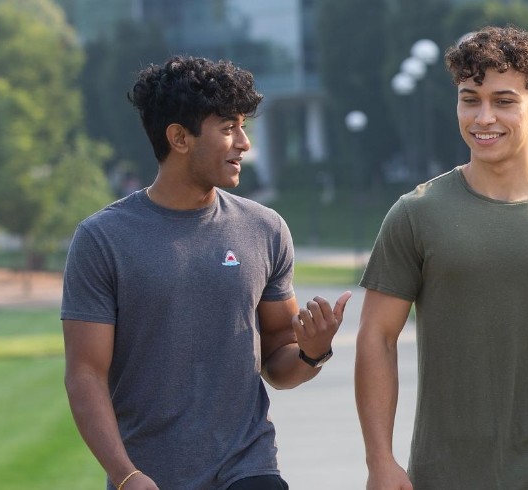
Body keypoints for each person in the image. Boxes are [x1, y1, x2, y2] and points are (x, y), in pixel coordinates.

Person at [355, 26, 528, 490]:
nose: (483, 117)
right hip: (441, 476)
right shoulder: (415, 214)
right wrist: (379, 461)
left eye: (504, 101)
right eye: (470, 99)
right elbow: (376, 339)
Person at [61, 55, 351, 490]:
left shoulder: (265, 229)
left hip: (249, 467)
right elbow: (85, 375)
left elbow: (279, 360)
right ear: (179, 137)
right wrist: (126, 476)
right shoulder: (103, 240)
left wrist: (312, 352)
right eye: (228, 128)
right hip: (151, 477)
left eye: (243, 127)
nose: (244, 144)